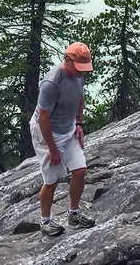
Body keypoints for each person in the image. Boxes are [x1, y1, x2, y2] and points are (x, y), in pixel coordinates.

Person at [30, 41, 97, 237]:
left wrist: (79, 123)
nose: (82, 72)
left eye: (85, 68)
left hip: (68, 128)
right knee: (52, 179)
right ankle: (45, 221)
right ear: (67, 59)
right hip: (47, 133)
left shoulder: (79, 76)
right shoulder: (51, 83)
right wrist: (53, 149)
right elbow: (43, 119)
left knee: (80, 170)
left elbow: (79, 97)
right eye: (79, 67)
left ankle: (74, 214)